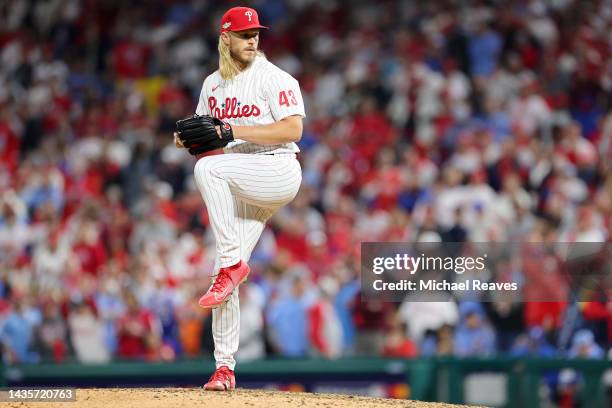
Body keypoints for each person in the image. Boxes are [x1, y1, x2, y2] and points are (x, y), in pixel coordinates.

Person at [174, 6, 304, 391]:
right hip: (240, 178)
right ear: (225, 37)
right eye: (245, 33)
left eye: (256, 33)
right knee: (223, 275)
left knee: (207, 171)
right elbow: (205, 137)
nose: (252, 39)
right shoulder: (212, 85)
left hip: (277, 170)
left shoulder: (274, 78)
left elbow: (293, 128)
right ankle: (224, 368)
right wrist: (186, 141)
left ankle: (233, 266)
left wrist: (232, 130)